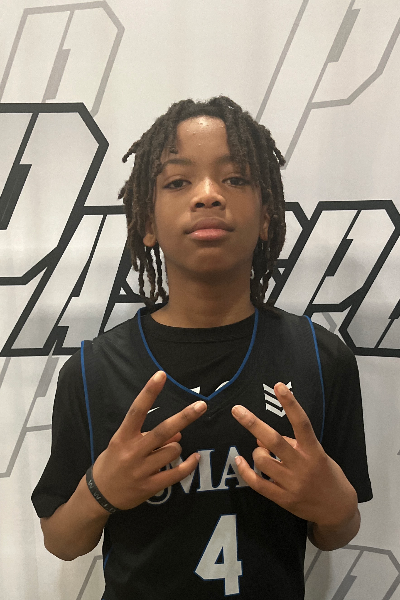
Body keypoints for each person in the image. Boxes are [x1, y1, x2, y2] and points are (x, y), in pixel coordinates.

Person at [32, 96, 372, 600]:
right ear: (148, 223)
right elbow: (62, 542)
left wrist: (336, 509)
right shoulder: (92, 371)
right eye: (178, 182)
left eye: (235, 179)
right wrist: (102, 491)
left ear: (266, 216)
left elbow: (334, 533)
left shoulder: (322, 360)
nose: (208, 195)